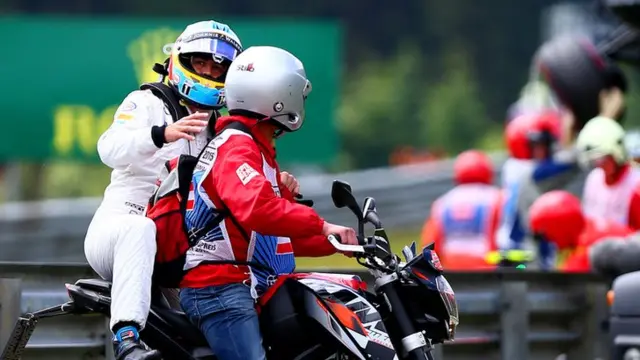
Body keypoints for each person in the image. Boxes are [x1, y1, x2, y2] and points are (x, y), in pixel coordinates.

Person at [177, 45, 358, 360]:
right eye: (297, 92)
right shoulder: (236, 148)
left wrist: (335, 242)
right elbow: (259, 210)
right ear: (277, 94)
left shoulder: (254, 148)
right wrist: (322, 224)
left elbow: (272, 240)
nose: (300, 101)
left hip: (242, 284)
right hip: (219, 289)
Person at [83, 20, 243, 360]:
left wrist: (279, 182)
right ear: (181, 61)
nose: (209, 71)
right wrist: (161, 135)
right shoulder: (146, 102)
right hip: (119, 226)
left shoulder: (220, 128)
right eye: (201, 63)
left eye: (218, 68)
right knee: (140, 229)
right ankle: (127, 341)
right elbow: (108, 149)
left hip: (177, 249)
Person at [421, 150, 503, 270]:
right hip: (487, 268)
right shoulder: (497, 197)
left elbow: (431, 245)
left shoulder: (442, 203)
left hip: (453, 269)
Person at [529, 190, 634, 272]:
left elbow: (565, 286)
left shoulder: (585, 250)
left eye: (545, 234)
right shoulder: (589, 226)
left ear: (557, 227)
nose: (548, 240)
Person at [576, 116, 640, 230]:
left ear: (617, 151)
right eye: (594, 160)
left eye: (603, 159)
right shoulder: (593, 179)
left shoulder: (636, 184)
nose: (599, 164)